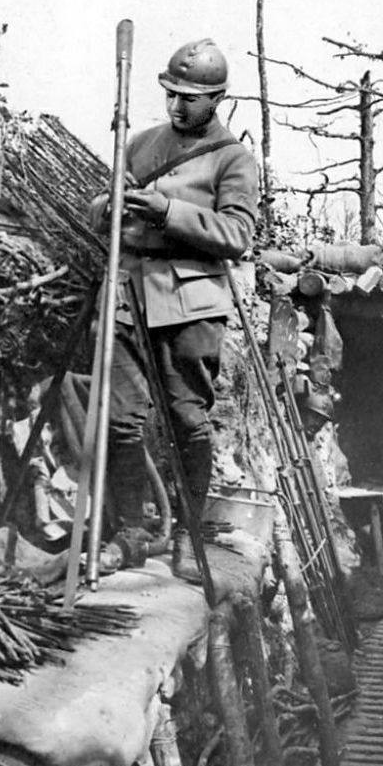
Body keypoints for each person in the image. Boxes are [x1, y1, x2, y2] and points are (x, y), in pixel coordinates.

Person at [87, 38, 261, 559]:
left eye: (190, 97)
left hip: (190, 302)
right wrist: (109, 207)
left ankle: (188, 533)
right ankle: (131, 530)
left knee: (188, 420)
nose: (177, 106)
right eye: (171, 94)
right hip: (128, 293)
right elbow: (100, 207)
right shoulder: (141, 144)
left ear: (217, 99)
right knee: (119, 419)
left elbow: (236, 235)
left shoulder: (234, 160)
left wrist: (167, 212)